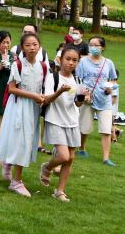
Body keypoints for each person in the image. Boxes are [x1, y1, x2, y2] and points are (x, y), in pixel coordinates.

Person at [0, 32, 55, 197]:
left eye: (35, 44)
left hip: (33, 108)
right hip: (18, 106)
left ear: (39, 46)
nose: (32, 48)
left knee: (26, 140)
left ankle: (8, 164)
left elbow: (44, 87)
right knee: (21, 141)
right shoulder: (18, 64)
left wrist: (41, 97)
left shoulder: (43, 66)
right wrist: (33, 96)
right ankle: (16, 181)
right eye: (28, 45)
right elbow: (12, 89)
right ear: (22, 47)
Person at [40, 45, 83, 201]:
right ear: (60, 59)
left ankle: (60, 191)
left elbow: (77, 104)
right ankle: (47, 167)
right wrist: (60, 91)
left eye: (74, 60)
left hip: (72, 121)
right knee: (64, 156)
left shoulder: (77, 80)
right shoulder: (53, 77)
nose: (71, 63)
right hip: (55, 119)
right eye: (68, 59)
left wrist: (83, 98)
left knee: (70, 158)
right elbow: (46, 100)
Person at [75, 36, 119, 166]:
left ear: (102, 47)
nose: (93, 47)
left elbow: (113, 79)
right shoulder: (83, 62)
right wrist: (84, 94)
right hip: (88, 100)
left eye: (96, 45)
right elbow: (78, 79)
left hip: (104, 100)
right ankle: (82, 148)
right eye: (91, 45)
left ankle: (106, 158)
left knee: (106, 130)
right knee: (85, 128)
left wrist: (110, 89)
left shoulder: (108, 63)